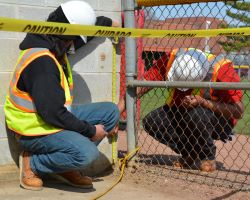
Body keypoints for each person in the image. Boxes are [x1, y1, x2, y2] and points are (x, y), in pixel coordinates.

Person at [4, 0, 122, 191]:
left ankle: (65, 164)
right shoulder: (42, 62)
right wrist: (91, 131)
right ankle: (33, 163)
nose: (73, 45)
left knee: (110, 112)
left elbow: (86, 34)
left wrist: (108, 23)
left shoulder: (55, 38)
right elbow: (53, 113)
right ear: (66, 35)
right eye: (72, 40)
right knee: (87, 155)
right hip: (33, 129)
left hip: (52, 118)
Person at [123, 48, 244, 172]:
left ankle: (207, 156)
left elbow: (238, 111)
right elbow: (141, 86)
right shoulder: (171, 59)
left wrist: (203, 102)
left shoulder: (221, 69)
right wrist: (118, 111)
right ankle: (190, 153)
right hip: (180, 112)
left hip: (216, 120)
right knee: (152, 121)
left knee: (196, 114)